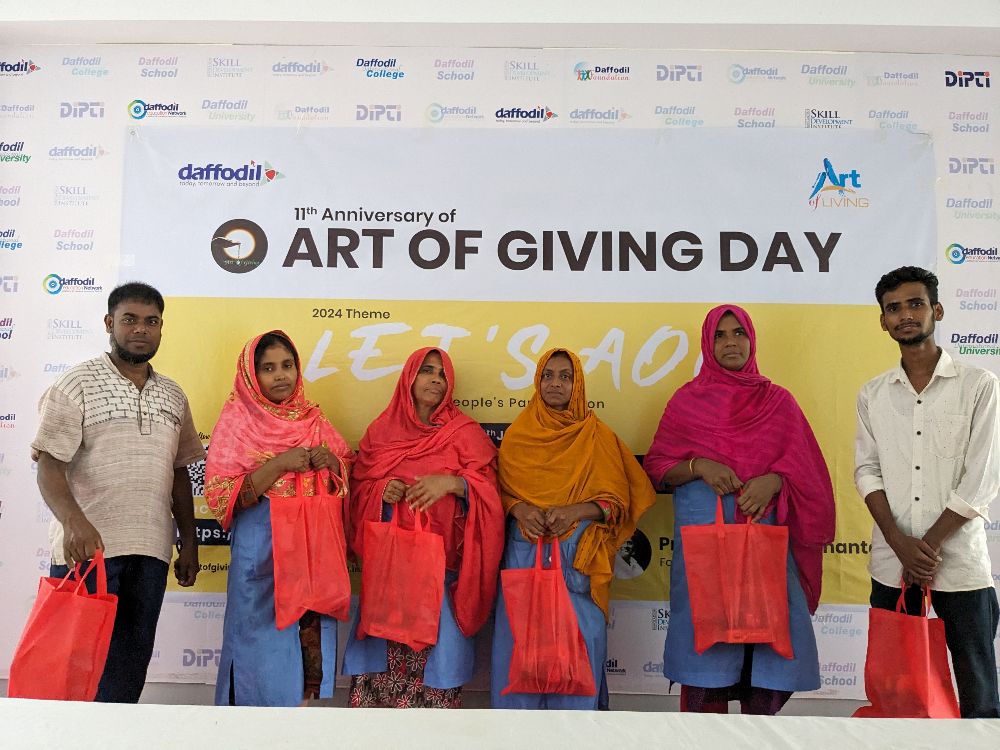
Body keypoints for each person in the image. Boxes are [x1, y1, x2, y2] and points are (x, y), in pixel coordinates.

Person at [643, 305, 835, 715]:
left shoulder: (778, 402)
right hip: (706, 558)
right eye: (720, 335)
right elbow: (658, 467)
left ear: (751, 340)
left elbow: (810, 475)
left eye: (738, 333)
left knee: (762, 669)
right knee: (706, 675)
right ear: (707, 344)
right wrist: (699, 466)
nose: (730, 342)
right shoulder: (686, 402)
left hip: (764, 558)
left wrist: (775, 481)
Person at [32, 281, 204, 703]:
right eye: (130, 319)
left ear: (161, 327)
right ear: (109, 323)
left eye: (151, 321)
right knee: (75, 671)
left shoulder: (173, 395)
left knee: (127, 670)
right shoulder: (76, 383)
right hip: (88, 552)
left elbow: (179, 473)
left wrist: (189, 542)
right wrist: (74, 523)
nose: (141, 329)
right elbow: (49, 465)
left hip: (151, 551)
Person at [855, 266, 1000, 718]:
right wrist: (899, 544)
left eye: (915, 304)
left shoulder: (979, 386)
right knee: (899, 692)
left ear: (936, 310)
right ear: (883, 321)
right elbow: (867, 471)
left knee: (978, 689)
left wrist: (928, 547)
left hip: (960, 564)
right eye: (893, 308)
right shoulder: (873, 394)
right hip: (892, 566)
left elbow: (982, 479)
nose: (905, 315)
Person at [492, 348, 656, 709]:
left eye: (565, 377)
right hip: (525, 557)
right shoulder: (518, 437)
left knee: (579, 664)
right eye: (548, 375)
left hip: (578, 561)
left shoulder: (597, 436)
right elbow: (495, 494)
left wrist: (574, 512)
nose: (556, 383)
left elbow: (617, 503)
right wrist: (519, 509)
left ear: (577, 385)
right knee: (520, 658)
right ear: (537, 381)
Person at [343, 347, 504, 708]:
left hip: (441, 579)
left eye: (442, 374)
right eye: (427, 371)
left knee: (436, 687)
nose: (435, 379)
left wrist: (452, 484)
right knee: (378, 692)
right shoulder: (381, 432)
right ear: (409, 378)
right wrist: (381, 490)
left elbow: (492, 496)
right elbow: (357, 490)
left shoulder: (465, 433)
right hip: (391, 579)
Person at [205, 330, 353, 706]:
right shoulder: (237, 421)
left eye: (287, 365)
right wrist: (280, 464)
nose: (280, 375)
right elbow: (221, 496)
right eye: (268, 368)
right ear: (252, 376)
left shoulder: (314, 419)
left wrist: (332, 462)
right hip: (262, 552)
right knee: (256, 645)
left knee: (304, 637)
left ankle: (296, 722)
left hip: (309, 552)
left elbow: (349, 469)